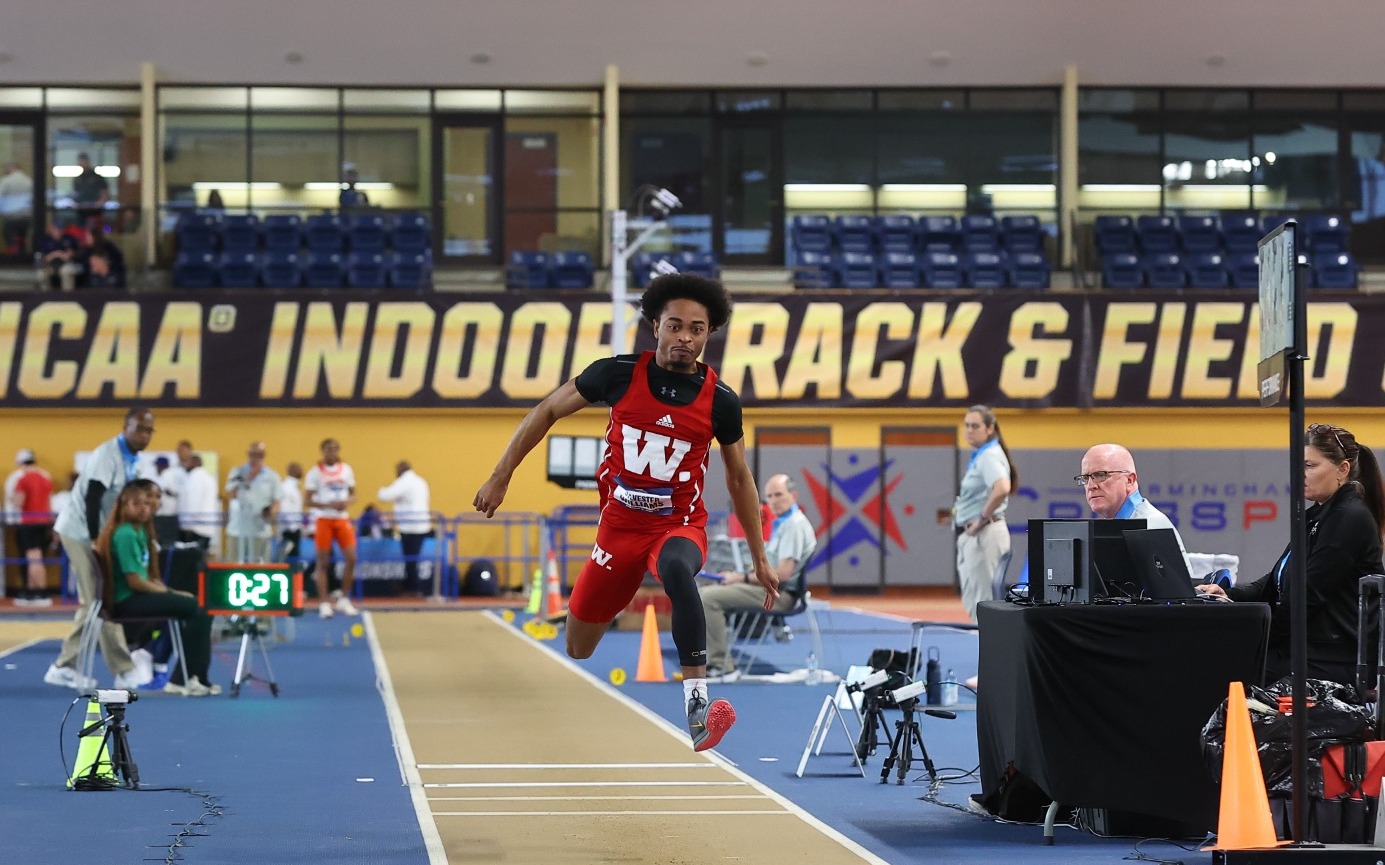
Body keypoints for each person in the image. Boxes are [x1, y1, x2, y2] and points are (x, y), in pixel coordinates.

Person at [473, 273, 777, 753]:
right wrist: (500, 474)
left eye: (696, 329)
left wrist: (759, 556)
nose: (685, 338)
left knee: (679, 571)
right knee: (578, 645)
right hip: (617, 532)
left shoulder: (721, 401)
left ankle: (699, 712)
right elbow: (548, 409)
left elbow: (740, 478)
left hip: (678, 527)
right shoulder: (616, 374)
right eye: (675, 326)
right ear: (655, 325)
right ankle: (604, 605)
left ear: (708, 334)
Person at [1197, 424, 1385, 686]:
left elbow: (1305, 598)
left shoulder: (1348, 518)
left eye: (1309, 466)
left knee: (1220, 665)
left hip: (1333, 661)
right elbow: (1277, 580)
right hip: (1307, 651)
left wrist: (1257, 639)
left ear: (1342, 469)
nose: (1300, 474)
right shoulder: (1319, 515)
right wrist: (1230, 594)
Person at [45, 407, 157, 691]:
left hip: (98, 534)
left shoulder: (133, 460)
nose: (144, 435)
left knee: (98, 601)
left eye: (149, 430)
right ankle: (121, 668)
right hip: (80, 532)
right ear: (125, 427)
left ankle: (66, 666)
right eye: (139, 428)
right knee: (98, 599)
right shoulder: (108, 454)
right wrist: (97, 539)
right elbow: (93, 495)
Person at [98, 480, 218, 697]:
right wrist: (168, 593)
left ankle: (194, 678)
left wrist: (169, 591)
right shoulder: (125, 533)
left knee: (200, 607)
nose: (145, 508)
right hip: (126, 601)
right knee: (198, 607)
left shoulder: (140, 531)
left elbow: (149, 577)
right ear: (124, 506)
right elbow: (135, 581)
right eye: (138, 504)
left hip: (138, 596)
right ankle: (185, 679)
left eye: (147, 503)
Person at [701, 474, 816, 681]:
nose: (773, 501)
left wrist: (740, 578)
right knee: (707, 593)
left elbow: (782, 574)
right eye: (769, 496)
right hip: (768, 589)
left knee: (708, 599)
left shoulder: (794, 526)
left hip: (781, 595)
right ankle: (714, 659)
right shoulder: (783, 523)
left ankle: (722, 666)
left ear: (793, 495)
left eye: (779, 494)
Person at [1078, 443, 1193, 575]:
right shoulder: (1122, 526)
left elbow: (1173, 594)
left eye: (1100, 475)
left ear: (1129, 480)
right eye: (1085, 478)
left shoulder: (1150, 526)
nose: (1091, 486)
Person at [953, 405, 1016, 622]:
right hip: (975, 535)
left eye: (975, 426)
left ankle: (995, 654)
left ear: (989, 429)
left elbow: (1002, 488)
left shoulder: (989, 455)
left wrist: (981, 519)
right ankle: (990, 652)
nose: (969, 430)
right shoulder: (981, 456)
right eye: (967, 425)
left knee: (985, 602)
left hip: (985, 534)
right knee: (975, 602)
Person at [306, 438, 359, 618]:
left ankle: (344, 598)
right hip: (324, 519)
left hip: (342, 519)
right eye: (328, 449)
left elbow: (353, 494)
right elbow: (308, 500)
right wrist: (329, 505)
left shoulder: (346, 470)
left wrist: (346, 502)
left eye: (335, 449)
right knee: (323, 562)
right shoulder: (314, 473)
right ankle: (324, 603)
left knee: (351, 558)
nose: (332, 452)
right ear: (322, 451)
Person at [378, 460, 432, 596]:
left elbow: (385, 496)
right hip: (420, 525)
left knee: (410, 560)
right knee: (412, 559)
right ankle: (411, 587)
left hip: (410, 526)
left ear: (401, 469)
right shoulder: (420, 481)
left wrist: (380, 490)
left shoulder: (405, 481)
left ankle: (413, 589)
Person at [11, 449, 54, 606]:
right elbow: (49, 502)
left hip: (29, 522)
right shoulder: (45, 479)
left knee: (33, 557)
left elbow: (18, 502)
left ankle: (40, 591)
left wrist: (12, 497)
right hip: (43, 521)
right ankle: (31, 590)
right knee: (37, 556)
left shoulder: (23, 480)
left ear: (22, 464)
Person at [224, 442, 281, 563]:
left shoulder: (272, 476)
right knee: (233, 567)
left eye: (259, 455)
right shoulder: (237, 472)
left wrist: (270, 512)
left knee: (259, 568)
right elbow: (231, 494)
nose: (255, 458)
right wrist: (250, 476)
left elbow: (276, 501)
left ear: (264, 455)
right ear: (248, 455)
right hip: (237, 529)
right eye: (252, 455)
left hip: (260, 531)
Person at [177, 454, 220, 557]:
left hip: (195, 528)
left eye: (187, 462)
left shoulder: (195, 477)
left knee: (191, 561)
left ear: (194, 463)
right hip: (206, 528)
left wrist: (188, 526)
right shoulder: (209, 477)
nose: (185, 465)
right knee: (201, 560)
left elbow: (193, 502)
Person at [71, 152, 110, 229]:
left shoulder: (97, 177)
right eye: (80, 161)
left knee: (94, 230)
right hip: (82, 210)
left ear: (88, 161)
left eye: (84, 161)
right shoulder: (78, 179)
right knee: (81, 230)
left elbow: (105, 193)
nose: (82, 163)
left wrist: (99, 203)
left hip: (95, 210)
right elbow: (76, 194)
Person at [277, 461, 304, 564]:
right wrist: (292, 527)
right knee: (288, 559)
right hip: (289, 530)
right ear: (292, 471)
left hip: (295, 527)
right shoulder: (287, 487)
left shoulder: (294, 487)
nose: (301, 471)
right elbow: (284, 508)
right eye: (298, 468)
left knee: (294, 558)